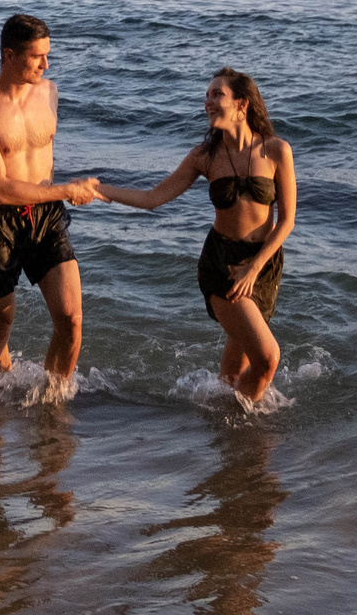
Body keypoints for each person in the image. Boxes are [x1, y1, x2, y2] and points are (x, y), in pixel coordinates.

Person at [96, 68, 297, 407]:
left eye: (216, 94)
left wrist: (254, 268)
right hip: (221, 264)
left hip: (262, 265)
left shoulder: (276, 151)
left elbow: (286, 221)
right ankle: (240, 424)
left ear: (242, 104)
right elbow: (153, 198)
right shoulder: (205, 156)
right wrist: (99, 190)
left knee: (235, 374)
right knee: (267, 358)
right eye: (207, 95)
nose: (208, 102)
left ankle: (223, 427)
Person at [0, 13, 102, 400]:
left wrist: (61, 194)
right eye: (37, 56)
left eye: (48, 55)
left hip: (46, 217)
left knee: (71, 319)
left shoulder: (49, 92)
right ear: (9, 55)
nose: (46, 64)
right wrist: (66, 190)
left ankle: (53, 404)